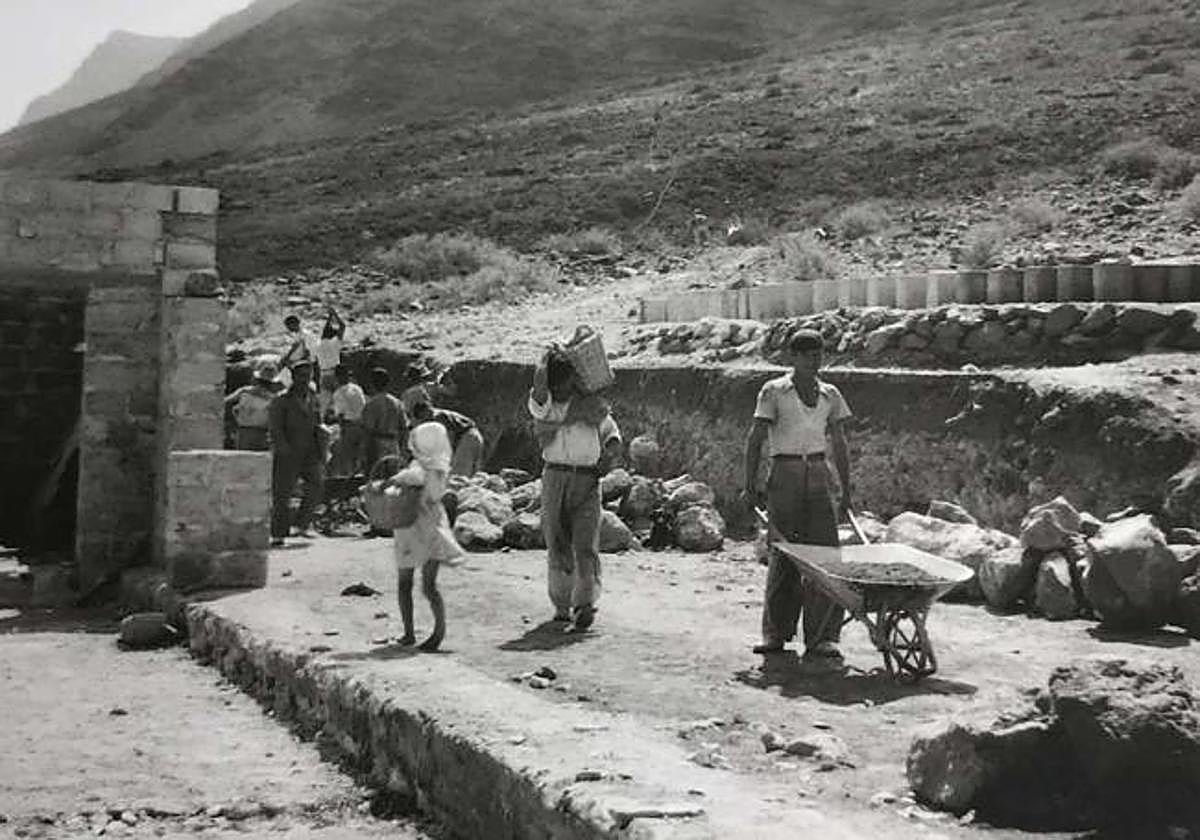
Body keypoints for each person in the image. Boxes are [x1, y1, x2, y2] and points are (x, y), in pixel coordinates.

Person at [741, 329, 854, 661]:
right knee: (785, 555)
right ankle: (776, 634)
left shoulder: (830, 394)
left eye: (819, 354)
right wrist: (750, 485)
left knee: (826, 557)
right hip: (785, 474)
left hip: (819, 474)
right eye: (807, 355)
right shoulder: (774, 392)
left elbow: (840, 442)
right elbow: (756, 438)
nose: (814, 361)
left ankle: (823, 637)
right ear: (793, 357)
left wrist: (846, 490)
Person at [528, 349, 621, 633]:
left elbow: (608, 428)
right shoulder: (545, 407)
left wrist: (612, 445)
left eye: (569, 382)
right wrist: (546, 359)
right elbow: (540, 387)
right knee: (557, 541)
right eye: (560, 383)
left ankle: (584, 604)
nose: (564, 388)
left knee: (585, 543)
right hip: (556, 476)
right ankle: (561, 604)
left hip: (587, 479)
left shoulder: (591, 405)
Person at [385, 421, 465, 651]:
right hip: (433, 528)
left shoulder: (418, 470)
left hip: (409, 528)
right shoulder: (440, 469)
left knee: (405, 583)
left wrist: (387, 484)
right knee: (430, 586)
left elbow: (400, 481)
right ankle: (438, 631)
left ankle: (408, 632)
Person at [267, 360, 325, 547]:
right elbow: (275, 428)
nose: (305, 380)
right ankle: (278, 534)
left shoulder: (313, 397)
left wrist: (322, 446)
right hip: (288, 452)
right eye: (301, 376)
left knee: (316, 485)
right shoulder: (281, 400)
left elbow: (317, 421)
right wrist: (283, 448)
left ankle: (301, 524)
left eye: (308, 377)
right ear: (293, 377)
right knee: (282, 495)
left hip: (309, 452)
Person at [410, 399, 484, 477]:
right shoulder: (437, 416)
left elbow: (449, 436)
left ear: (425, 411)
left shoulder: (438, 416)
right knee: (471, 472)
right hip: (474, 436)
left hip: (467, 437)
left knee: (459, 474)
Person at [225, 358, 282, 451]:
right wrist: (233, 421)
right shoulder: (244, 392)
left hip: (261, 434)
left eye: (267, 383)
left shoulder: (275, 399)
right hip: (246, 432)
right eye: (263, 382)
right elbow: (227, 404)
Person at [361, 366, 407, 474]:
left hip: (377, 445)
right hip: (393, 444)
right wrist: (402, 447)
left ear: (372, 384)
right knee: (393, 479)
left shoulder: (371, 405)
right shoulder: (397, 403)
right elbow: (404, 427)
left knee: (377, 479)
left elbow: (368, 430)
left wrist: (363, 452)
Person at [328, 365, 366, 477]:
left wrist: (341, 431)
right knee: (358, 456)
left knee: (347, 457)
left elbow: (340, 415)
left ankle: (349, 479)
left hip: (349, 427)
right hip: (361, 425)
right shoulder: (357, 388)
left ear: (337, 377)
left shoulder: (338, 393)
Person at [315, 308, 346, 414]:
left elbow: (325, 330)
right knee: (339, 400)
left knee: (325, 402)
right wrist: (335, 315)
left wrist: (329, 318)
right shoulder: (335, 343)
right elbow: (343, 326)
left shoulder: (318, 345)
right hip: (335, 373)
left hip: (323, 374)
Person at [278, 314, 313, 390]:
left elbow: (307, 352)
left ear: (294, 324)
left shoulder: (305, 335)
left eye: (288, 326)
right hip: (294, 363)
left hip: (301, 364)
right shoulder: (296, 335)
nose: (288, 328)